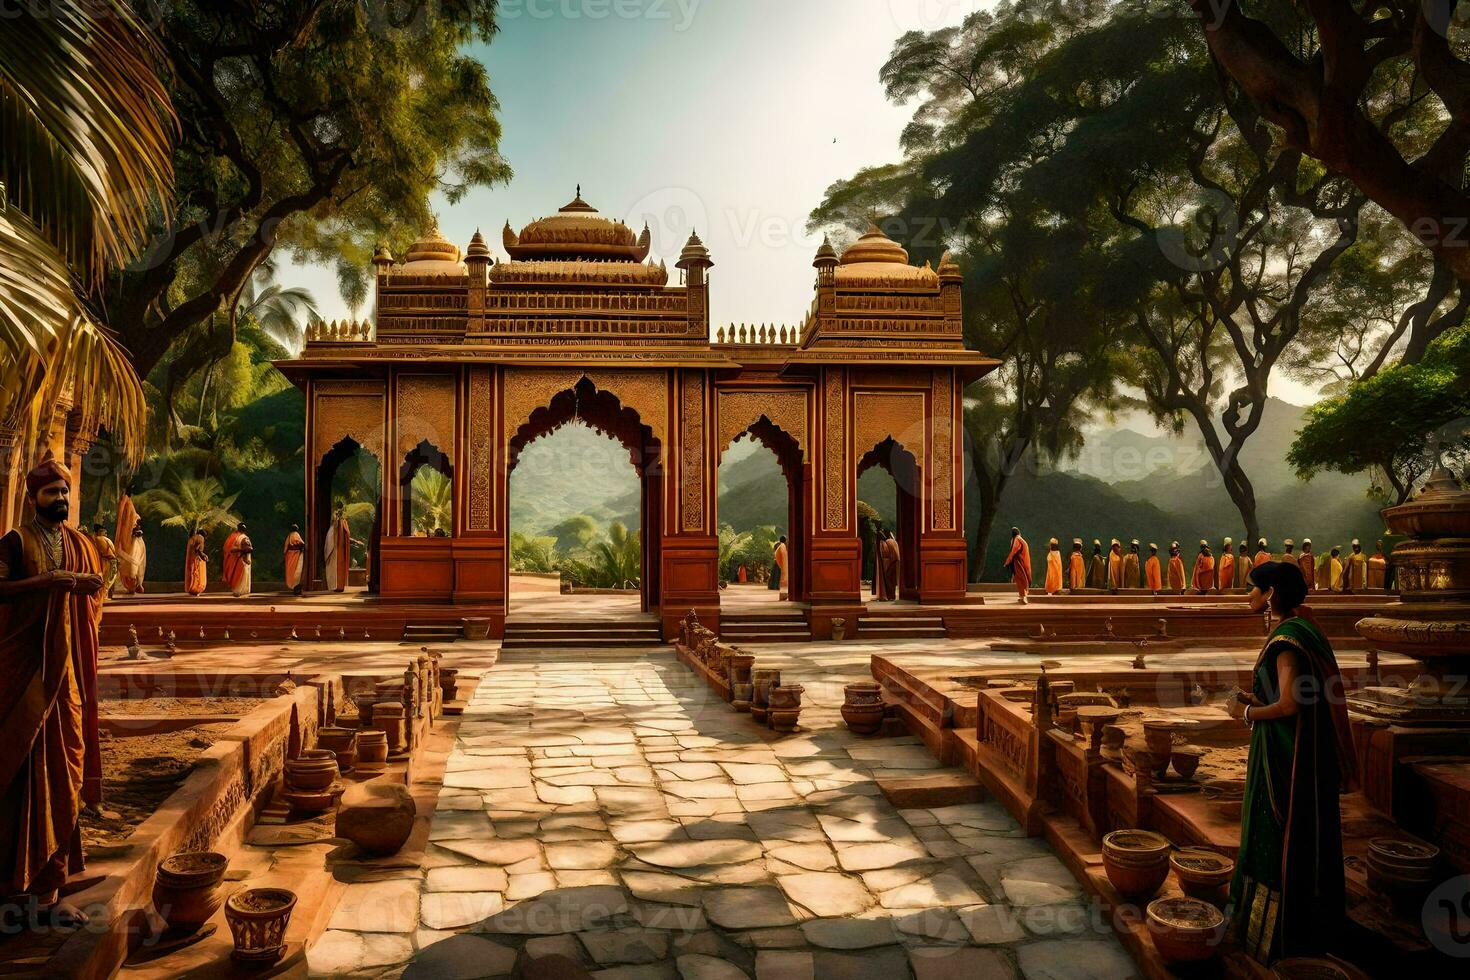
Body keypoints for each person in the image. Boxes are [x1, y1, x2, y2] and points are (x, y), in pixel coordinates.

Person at [1228, 561, 1357, 964]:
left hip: (1284, 757)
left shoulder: (1286, 639)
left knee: (1274, 831)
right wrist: (1256, 701)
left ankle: (1273, 935)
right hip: (1288, 748)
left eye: (1253, 588)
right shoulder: (1300, 630)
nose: (1248, 595)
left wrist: (1246, 714)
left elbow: (1291, 703)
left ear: (1271, 595)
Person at [0, 458, 105, 926]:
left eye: (65, 492)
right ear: (32, 497)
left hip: (66, 678)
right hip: (23, 674)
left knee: (64, 772)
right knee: (22, 773)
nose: (60, 499)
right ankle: (13, 888)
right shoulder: (15, 540)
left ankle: (51, 889)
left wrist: (86, 587)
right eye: (51, 493)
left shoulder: (78, 543)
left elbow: (93, 595)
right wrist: (49, 582)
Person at [114, 490, 137, 593]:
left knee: (131, 562)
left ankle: (131, 585)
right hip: (125, 533)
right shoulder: (125, 501)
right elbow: (122, 518)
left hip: (129, 534)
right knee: (126, 561)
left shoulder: (129, 502)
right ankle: (127, 584)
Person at [221, 523, 253, 598]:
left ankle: (237, 591)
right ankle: (240, 591)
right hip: (241, 560)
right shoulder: (244, 538)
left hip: (236, 560)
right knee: (241, 575)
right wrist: (243, 550)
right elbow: (248, 549)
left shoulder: (232, 537)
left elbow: (228, 549)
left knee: (236, 574)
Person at [325, 508, 352, 593]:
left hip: (336, 551)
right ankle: (337, 586)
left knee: (335, 568)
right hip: (336, 551)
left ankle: (338, 586)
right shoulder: (335, 528)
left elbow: (329, 543)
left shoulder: (334, 528)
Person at [90, 523, 118, 597]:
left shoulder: (102, 539)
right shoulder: (99, 539)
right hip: (106, 561)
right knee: (106, 579)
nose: (105, 533)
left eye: (105, 531)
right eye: (102, 531)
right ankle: (103, 596)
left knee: (108, 579)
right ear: (98, 532)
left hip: (110, 561)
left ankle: (104, 595)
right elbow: (105, 551)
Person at [1004, 527, 1031, 604]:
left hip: (1019, 562)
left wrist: (1007, 562)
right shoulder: (1020, 539)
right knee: (1021, 578)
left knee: (1021, 579)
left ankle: (1023, 597)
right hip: (1022, 561)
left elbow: (1013, 551)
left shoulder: (1017, 539)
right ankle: (1022, 596)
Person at [875, 530, 900, 602]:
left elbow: (885, 553)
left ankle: (890, 596)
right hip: (895, 562)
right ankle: (893, 596)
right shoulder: (894, 541)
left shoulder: (887, 542)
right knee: (893, 580)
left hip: (890, 562)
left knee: (889, 580)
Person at [184, 526, 208, 596]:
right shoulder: (201, 538)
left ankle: (191, 588)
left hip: (190, 559)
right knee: (196, 573)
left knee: (191, 573)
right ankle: (195, 589)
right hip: (195, 560)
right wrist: (203, 556)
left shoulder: (192, 538)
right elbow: (198, 550)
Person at [283, 525, 306, 594]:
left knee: (291, 570)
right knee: (296, 569)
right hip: (296, 554)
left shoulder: (289, 536)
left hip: (290, 554)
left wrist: (285, 553)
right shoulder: (296, 535)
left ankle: (293, 585)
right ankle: (295, 585)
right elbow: (302, 543)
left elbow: (286, 546)